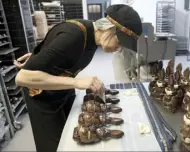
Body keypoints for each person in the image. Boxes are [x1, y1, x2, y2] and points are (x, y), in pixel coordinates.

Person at [14, 4, 142, 152]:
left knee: (74, 136)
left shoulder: (93, 38)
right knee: (55, 147)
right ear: (109, 29)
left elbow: (61, 47)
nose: (118, 49)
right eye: (119, 43)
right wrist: (77, 82)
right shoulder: (75, 35)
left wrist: (41, 57)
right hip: (43, 97)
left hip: (63, 90)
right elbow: (21, 78)